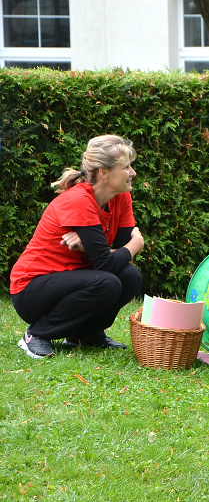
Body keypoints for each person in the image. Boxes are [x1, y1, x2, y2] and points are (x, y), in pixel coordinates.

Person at [10, 135, 145, 359]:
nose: (133, 173)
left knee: (130, 276)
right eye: (126, 167)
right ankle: (36, 335)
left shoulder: (121, 198)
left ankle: (84, 334)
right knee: (107, 282)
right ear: (104, 173)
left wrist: (90, 249)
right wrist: (136, 244)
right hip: (31, 289)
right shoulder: (80, 200)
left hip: (71, 280)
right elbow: (108, 262)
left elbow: (123, 260)